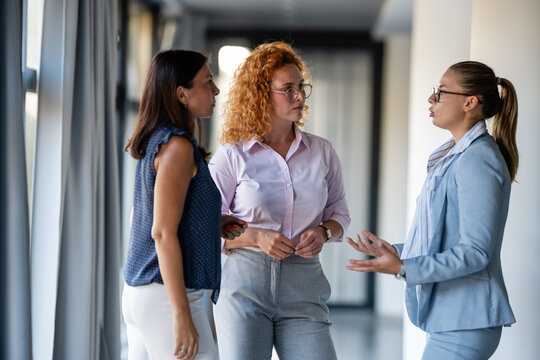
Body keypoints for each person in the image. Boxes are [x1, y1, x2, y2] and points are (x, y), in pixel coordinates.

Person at [346, 61, 518, 359]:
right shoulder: (457, 156)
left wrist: (404, 268)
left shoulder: (477, 159)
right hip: (454, 318)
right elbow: (445, 237)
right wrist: (400, 252)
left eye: (440, 92)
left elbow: (476, 252)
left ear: (469, 102)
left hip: (466, 320)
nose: (431, 99)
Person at [208, 41, 350, 360]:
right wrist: (256, 236)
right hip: (244, 287)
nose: (299, 96)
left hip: (305, 287)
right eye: (287, 89)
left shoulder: (322, 152)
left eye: (301, 87)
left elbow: (340, 213)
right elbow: (206, 225)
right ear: (261, 95)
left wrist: (324, 232)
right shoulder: (232, 156)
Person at [121, 49, 246, 360]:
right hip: (165, 295)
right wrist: (180, 315)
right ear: (181, 94)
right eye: (207, 82)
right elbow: (162, 233)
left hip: (143, 293)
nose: (216, 90)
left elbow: (158, 215)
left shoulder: (159, 140)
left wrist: (211, 223)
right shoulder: (177, 146)